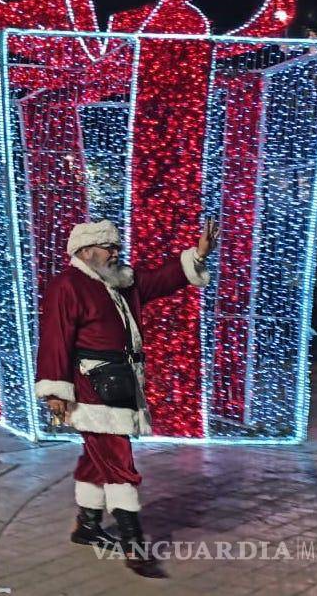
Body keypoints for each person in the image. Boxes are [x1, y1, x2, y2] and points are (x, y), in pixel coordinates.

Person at [35, 217, 218, 578]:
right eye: (109, 247)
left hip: (121, 382)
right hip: (91, 386)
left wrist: (197, 254)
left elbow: (161, 279)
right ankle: (135, 546)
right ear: (86, 252)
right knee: (118, 460)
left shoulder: (120, 282)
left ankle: (87, 525)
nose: (116, 253)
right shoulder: (68, 285)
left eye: (117, 247)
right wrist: (55, 390)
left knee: (97, 455)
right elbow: (56, 338)